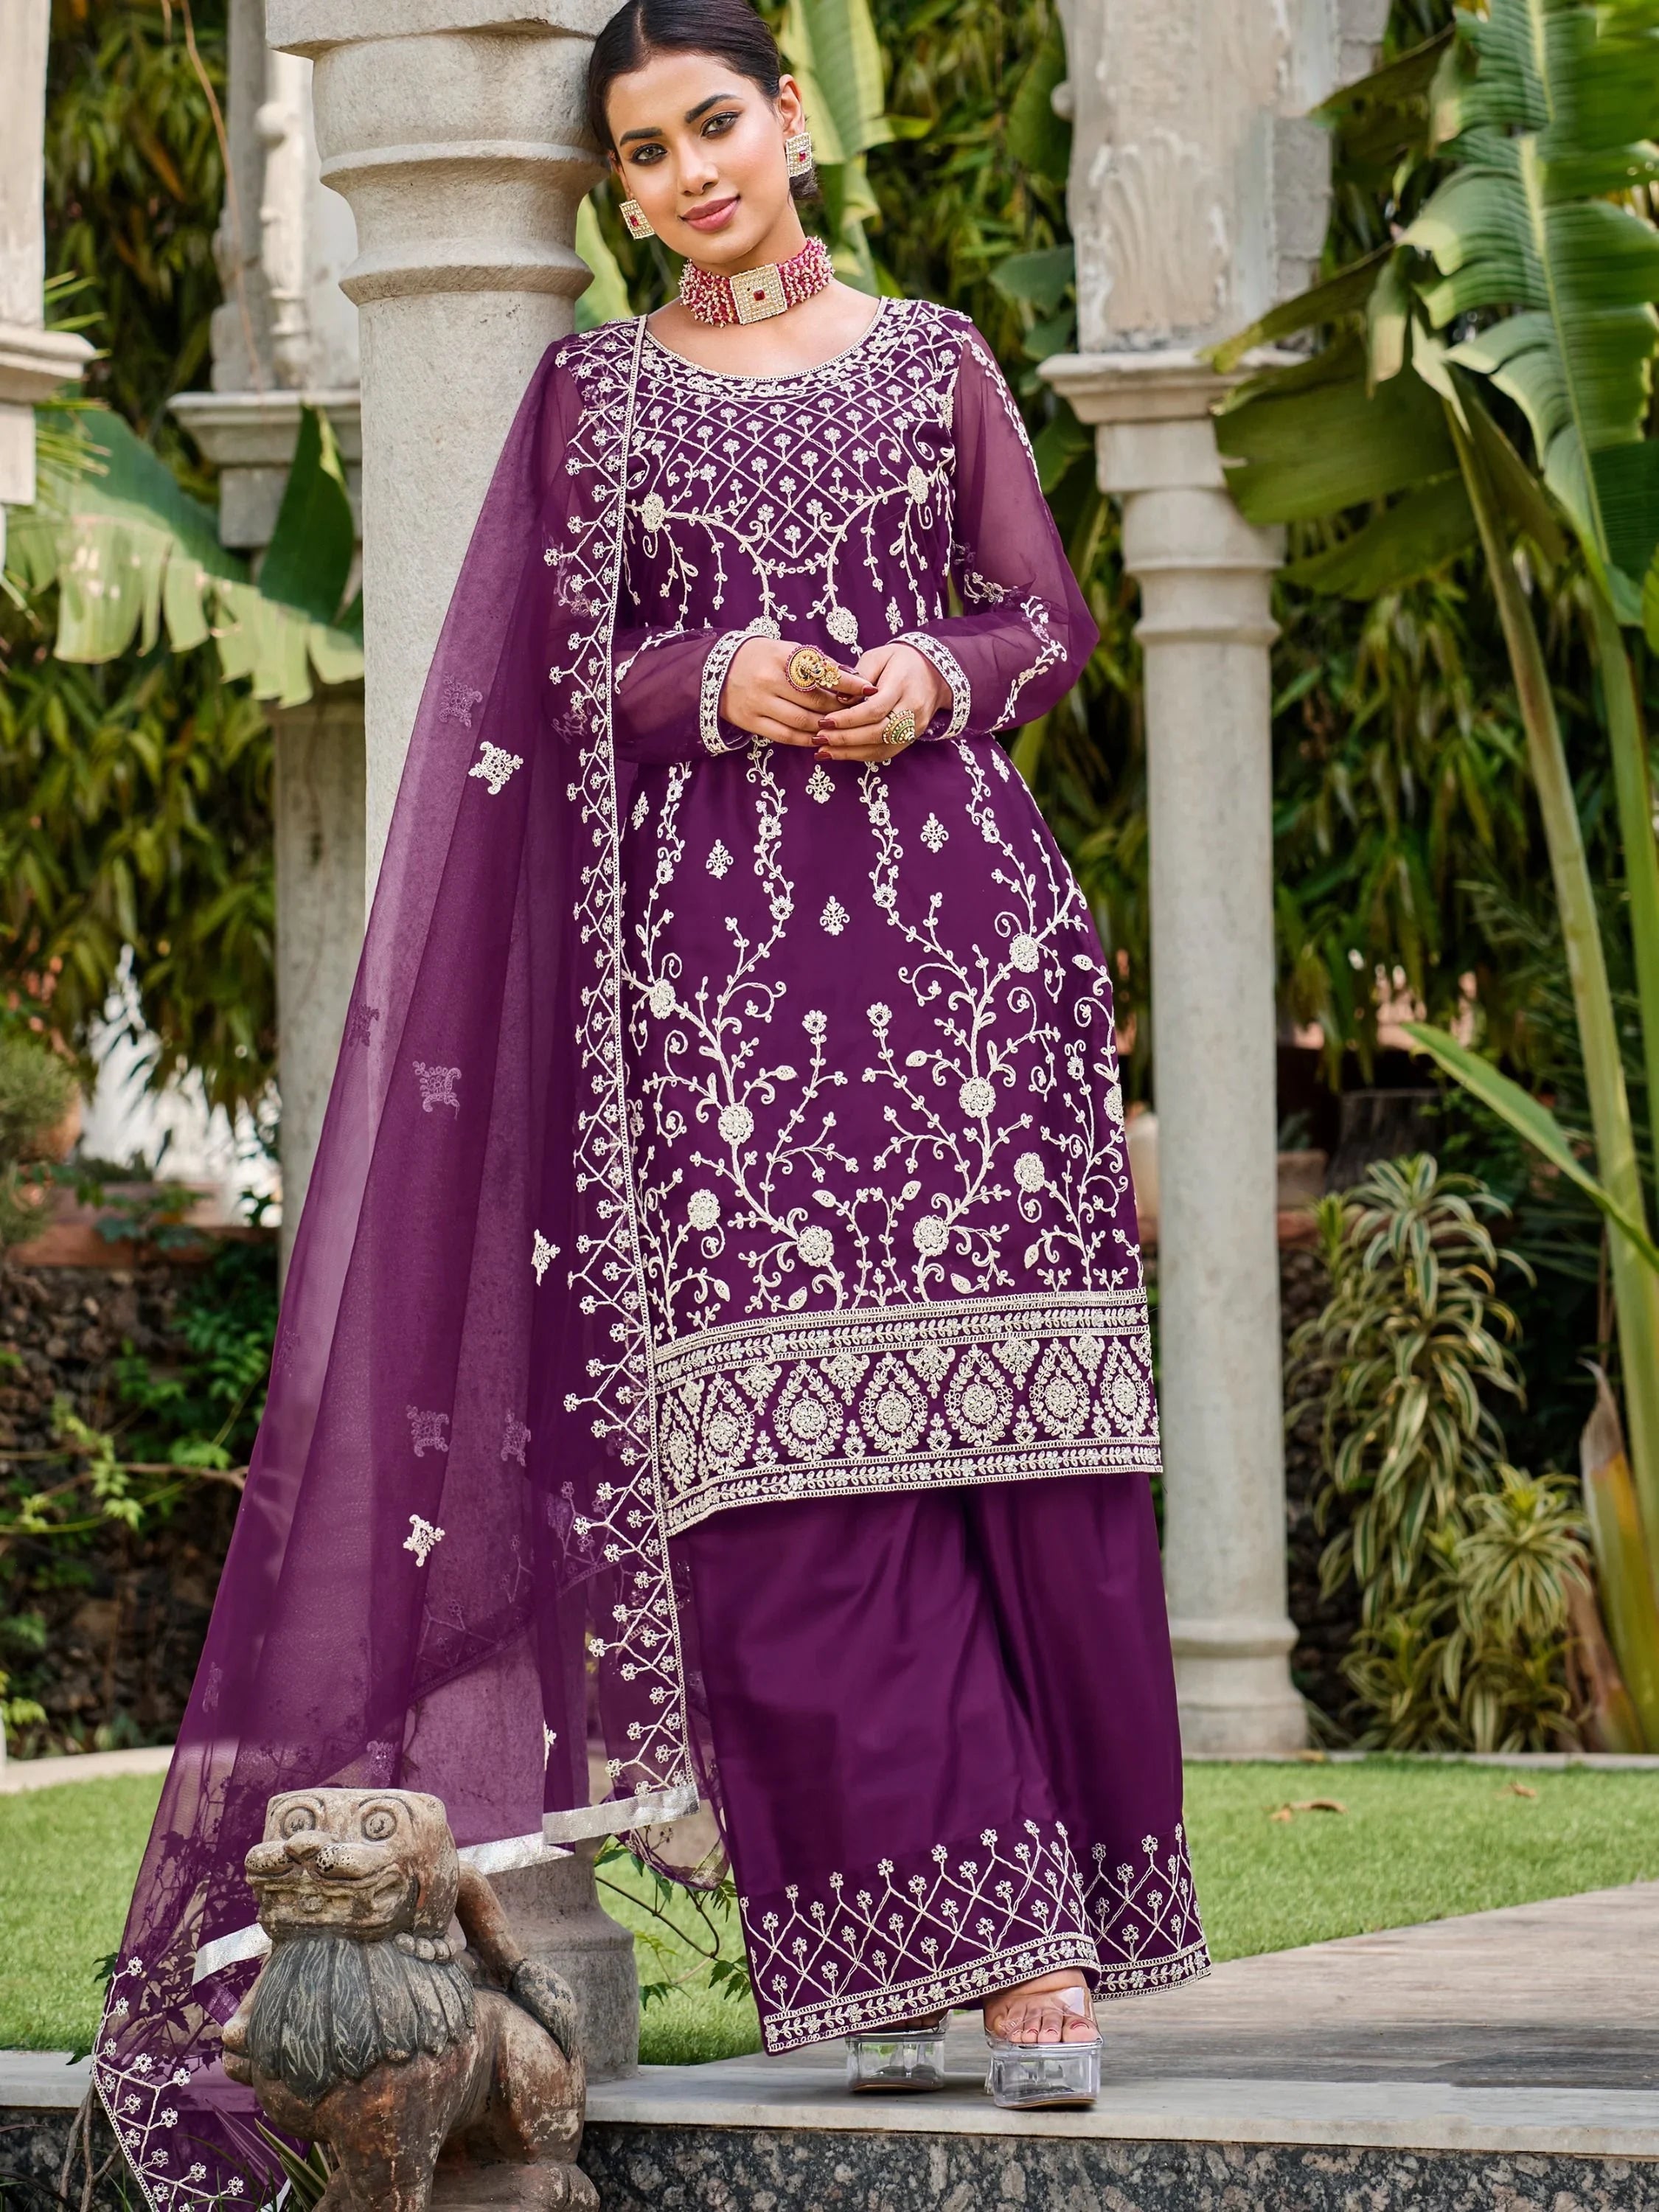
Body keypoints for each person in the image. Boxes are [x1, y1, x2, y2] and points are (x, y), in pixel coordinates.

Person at [95, 1, 1206, 2194]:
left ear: (791, 120)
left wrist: (930, 673)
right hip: (716, 1001)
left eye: (715, 125)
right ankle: (905, 1953)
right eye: (643, 152)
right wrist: (710, 679)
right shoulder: (595, 398)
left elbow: (1049, 619)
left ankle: (1035, 1955)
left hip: (968, 969)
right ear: (618, 189)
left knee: (1006, 1440)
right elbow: (532, 675)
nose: (691, 175)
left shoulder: (939, 363)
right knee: (782, 1474)